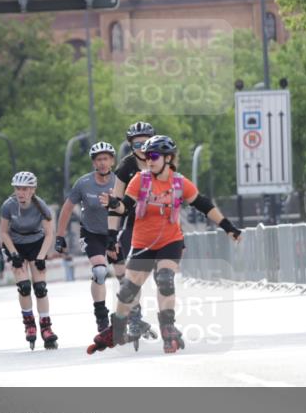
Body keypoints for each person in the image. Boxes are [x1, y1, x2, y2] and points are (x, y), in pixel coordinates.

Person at [91, 135, 242, 354]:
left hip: (170, 241)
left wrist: (228, 227)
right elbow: (125, 207)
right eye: (146, 156)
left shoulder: (179, 182)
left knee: (165, 279)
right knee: (128, 291)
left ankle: (168, 327)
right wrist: (114, 203)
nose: (149, 160)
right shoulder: (140, 180)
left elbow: (203, 204)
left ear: (168, 158)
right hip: (142, 242)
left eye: (154, 156)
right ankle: (118, 325)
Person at [56, 141, 118, 334]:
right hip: (91, 233)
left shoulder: (119, 182)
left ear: (112, 161)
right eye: (98, 160)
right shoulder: (83, 183)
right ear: (93, 163)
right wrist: (59, 236)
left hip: (114, 232)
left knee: (126, 275)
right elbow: (67, 209)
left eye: (106, 159)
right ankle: (101, 316)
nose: (102, 163)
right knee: (100, 271)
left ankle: (133, 314)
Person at [103, 121, 156, 338]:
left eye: (146, 143)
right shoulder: (126, 167)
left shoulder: (163, 160)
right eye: (136, 145)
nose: (142, 148)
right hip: (134, 225)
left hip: (160, 226)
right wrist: (111, 235)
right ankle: (135, 317)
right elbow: (115, 204)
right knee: (125, 274)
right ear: (130, 146)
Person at [0, 171, 57, 349]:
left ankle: (46, 327)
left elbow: (49, 234)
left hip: (37, 243)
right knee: (24, 288)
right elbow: (3, 232)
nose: (20, 193)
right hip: (15, 244)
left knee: (40, 288)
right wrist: (14, 254)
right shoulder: (8, 206)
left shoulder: (41, 206)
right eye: (17, 189)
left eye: (24, 189)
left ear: (32, 189)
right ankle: (29, 324)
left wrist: (41, 257)